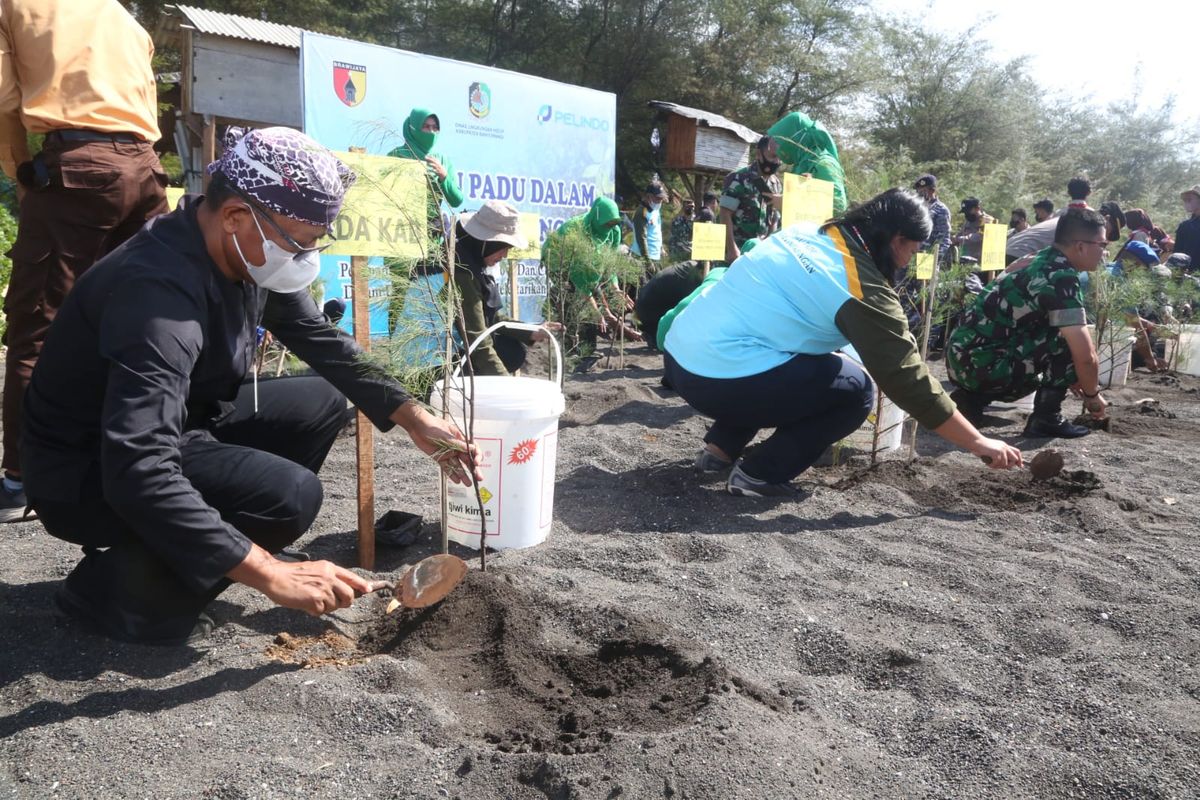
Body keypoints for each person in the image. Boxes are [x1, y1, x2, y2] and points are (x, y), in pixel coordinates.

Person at [21, 127, 481, 645]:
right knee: (289, 497)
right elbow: (139, 466)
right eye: (300, 242)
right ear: (236, 216)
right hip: (88, 468)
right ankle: (116, 594)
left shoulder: (240, 252)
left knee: (321, 401)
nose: (308, 256)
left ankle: (212, 542)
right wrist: (269, 573)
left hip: (182, 420)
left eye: (317, 241)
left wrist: (414, 416)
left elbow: (321, 340)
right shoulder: (158, 300)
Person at [663, 189, 1022, 497]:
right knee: (855, 390)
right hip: (719, 382)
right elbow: (906, 378)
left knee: (777, 353)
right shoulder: (861, 288)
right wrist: (978, 441)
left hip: (679, 359)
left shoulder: (806, 231)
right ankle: (759, 475)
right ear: (897, 240)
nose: (909, 263)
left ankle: (719, 451)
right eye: (912, 252)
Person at [0, 0, 169, 521]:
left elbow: (4, 98)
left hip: (78, 167)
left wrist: (21, 169)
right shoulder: (123, 18)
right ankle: (152, 457)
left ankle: (20, 481)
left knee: (37, 327)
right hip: (147, 170)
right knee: (146, 323)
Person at [946, 208, 1111, 438]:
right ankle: (1047, 417)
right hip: (983, 368)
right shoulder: (1060, 276)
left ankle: (971, 401)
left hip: (960, 363)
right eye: (1102, 245)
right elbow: (1085, 356)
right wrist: (1092, 396)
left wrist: (1072, 374)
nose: (1105, 252)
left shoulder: (1037, 258)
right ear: (1081, 246)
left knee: (1051, 332)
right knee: (1067, 341)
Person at [450, 200, 559, 376]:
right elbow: (476, 338)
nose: (505, 255)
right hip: (434, 357)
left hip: (458, 343)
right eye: (502, 247)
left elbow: (491, 317)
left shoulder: (471, 258)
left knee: (511, 350)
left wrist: (531, 331)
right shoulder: (462, 270)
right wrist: (505, 382)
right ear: (486, 241)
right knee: (500, 353)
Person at [542, 196, 640, 342]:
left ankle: (600, 329)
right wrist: (596, 311)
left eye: (614, 223)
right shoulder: (576, 231)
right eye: (607, 223)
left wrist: (615, 288)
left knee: (596, 294)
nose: (610, 227)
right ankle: (573, 343)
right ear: (597, 217)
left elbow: (609, 264)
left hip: (586, 266)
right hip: (560, 263)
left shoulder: (614, 231)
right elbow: (580, 281)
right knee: (573, 300)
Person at [765, 111, 848, 213]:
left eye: (781, 143)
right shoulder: (802, 163)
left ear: (796, 139)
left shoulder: (823, 164)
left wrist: (787, 203)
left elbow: (838, 207)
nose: (779, 149)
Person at [720, 136, 783, 262]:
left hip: (760, 254)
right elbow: (725, 214)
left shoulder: (776, 184)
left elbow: (774, 219)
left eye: (779, 157)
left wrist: (770, 248)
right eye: (772, 156)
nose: (776, 161)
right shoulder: (738, 178)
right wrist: (731, 248)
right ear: (759, 154)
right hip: (737, 251)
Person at [913, 174, 951, 257]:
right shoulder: (915, 208)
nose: (920, 194)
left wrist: (938, 257)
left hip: (928, 256)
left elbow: (944, 237)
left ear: (932, 190)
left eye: (923, 191)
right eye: (918, 191)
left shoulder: (941, 209)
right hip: (912, 254)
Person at [630, 182, 666, 266]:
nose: (660, 201)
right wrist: (647, 260)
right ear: (649, 196)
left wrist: (661, 248)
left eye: (661, 198)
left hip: (655, 256)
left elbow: (657, 231)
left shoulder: (656, 209)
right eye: (657, 198)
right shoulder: (641, 212)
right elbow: (641, 238)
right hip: (643, 257)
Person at [952, 197, 995, 262]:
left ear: (977, 209)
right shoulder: (969, 220)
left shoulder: (988, 220)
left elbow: (979, 236)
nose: (966, 214)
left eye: (968, 211)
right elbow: (962, 232)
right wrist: (955, 238)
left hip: (981, 260)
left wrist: (961, 239)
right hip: (967, 258)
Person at [1174, 184, 1200, 266]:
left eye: (1189, 199)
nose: (1186, 202)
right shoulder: (1184, 226)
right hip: (1188, 272)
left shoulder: (1186, 226)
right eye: (1184, 200)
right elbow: (1177, 254)